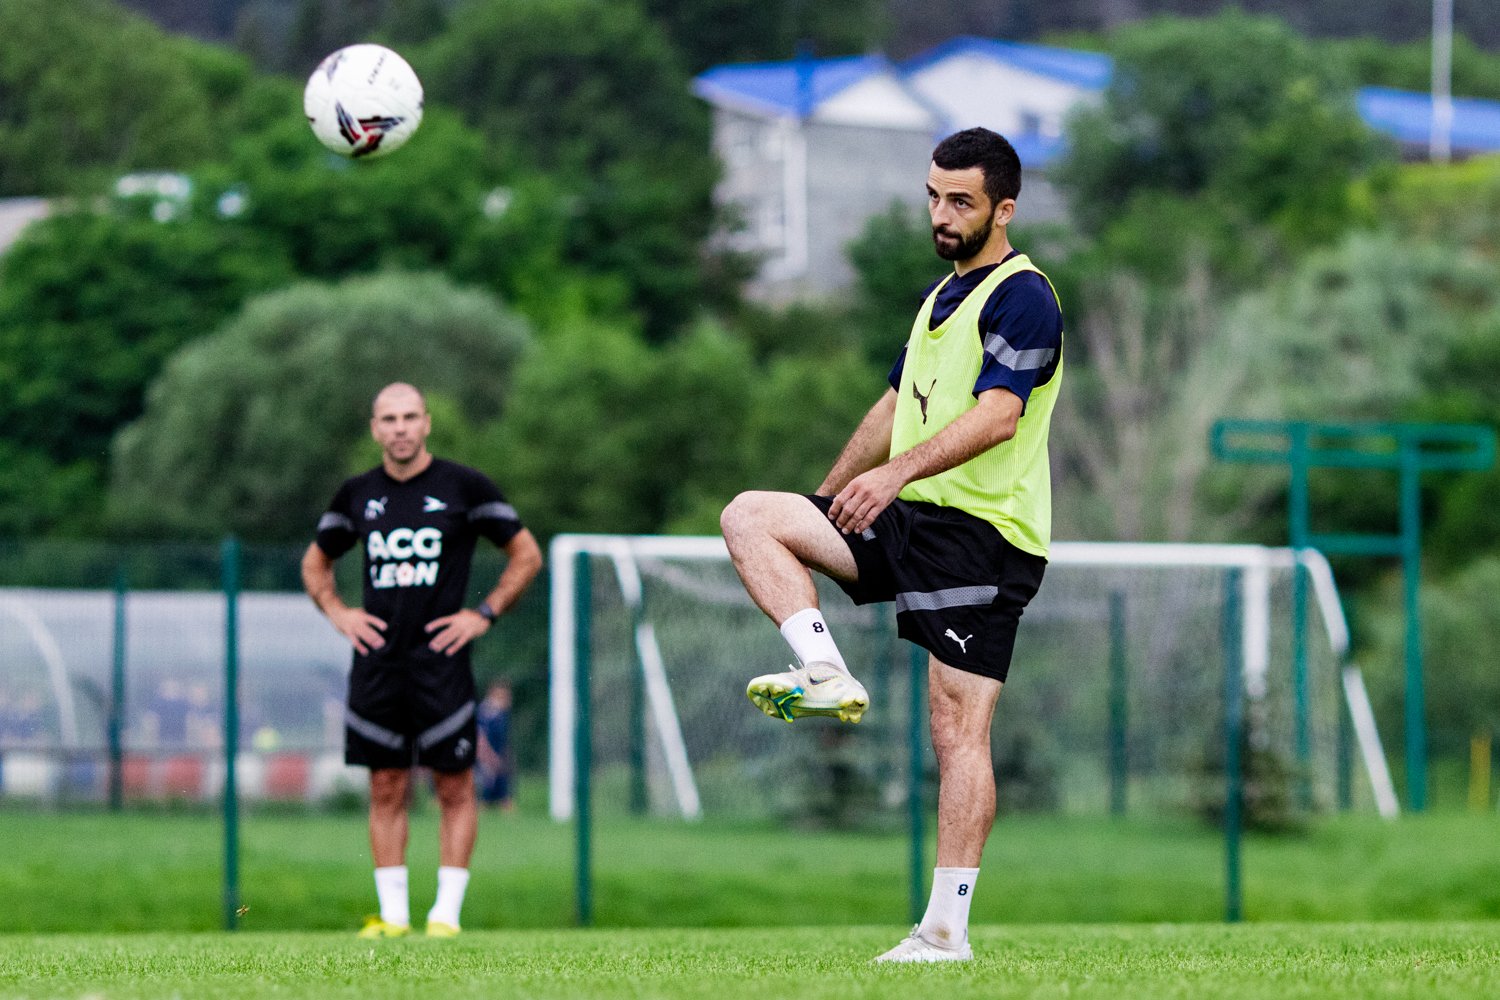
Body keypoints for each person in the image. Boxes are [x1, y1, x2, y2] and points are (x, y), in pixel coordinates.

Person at [720, 127, 1063, 963]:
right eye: (933, 198)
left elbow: (998, 414)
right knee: (751, 516)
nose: (941, 215)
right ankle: (824, 671)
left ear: (1004, 209)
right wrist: (836, 498)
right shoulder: (934, 297)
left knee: (957, 731)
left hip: (984, 538)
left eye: (961, 202)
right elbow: (888, 408)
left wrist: (896, 476)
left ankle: (946, 932)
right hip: (909, 516)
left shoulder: (1026, 296)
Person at [302, 382, 543, 939]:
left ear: (427, 423)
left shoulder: (464, 486)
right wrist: (340, 614)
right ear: (375, 429)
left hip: (443, 666)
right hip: (378, 667)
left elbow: (525, 555)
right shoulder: (357, 494)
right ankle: (391, 919)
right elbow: (316, 565)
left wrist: (482, 613)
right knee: (386, 787)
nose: (400, 428)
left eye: (410, 416)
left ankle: (445, 917)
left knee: (453, 787)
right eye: (389, 418)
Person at [474, 679, 514, 811]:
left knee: (504, 794)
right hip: (486, 760)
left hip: (498, 758)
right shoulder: (485, 713)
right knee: (484, 794)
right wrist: (489, 757)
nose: (508, 699)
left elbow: (503, 740)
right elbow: (480, 739)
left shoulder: (501, 714)